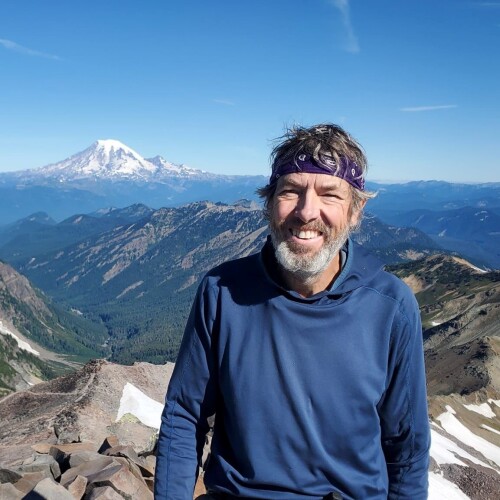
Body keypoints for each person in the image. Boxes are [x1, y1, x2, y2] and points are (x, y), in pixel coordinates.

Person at [155, 124, 430, 499]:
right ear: (269, 203)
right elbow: (184, 414)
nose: (306, 211)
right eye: (291, 191)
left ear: (355, 211)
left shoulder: (391, 307)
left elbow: (407, 448)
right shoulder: (222, 291)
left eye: (329, 194)